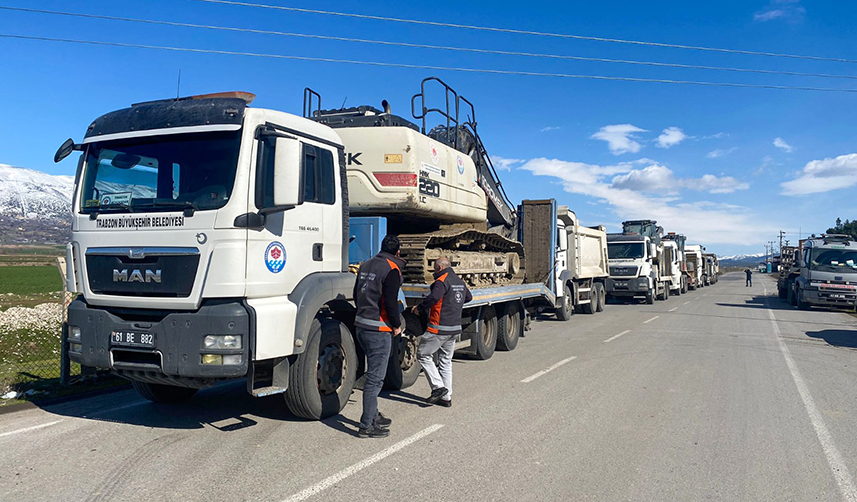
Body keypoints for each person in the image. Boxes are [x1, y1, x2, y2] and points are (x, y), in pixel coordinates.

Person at [353, 235, 405, 438]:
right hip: (379, 329)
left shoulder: (366, 265)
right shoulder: (392, 269)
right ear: (397, 252)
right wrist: (396, 325)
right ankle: (366, 426)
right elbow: (390, 302)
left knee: (372, 373)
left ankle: (374, 414)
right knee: (375, 379)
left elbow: (356, 293)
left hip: (361, 325)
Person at [412, 257, 472, 408]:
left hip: (438, 328)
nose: (433, 272)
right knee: (446, 361)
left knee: (423, 355)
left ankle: (438, 388)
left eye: (434, 269)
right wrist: (453, 305)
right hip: (454, 328)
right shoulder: (458, 280)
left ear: (439, 268)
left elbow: (434, 297)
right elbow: (468, 297)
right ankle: (446, 398)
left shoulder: (441, 281)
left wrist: (419, 308)